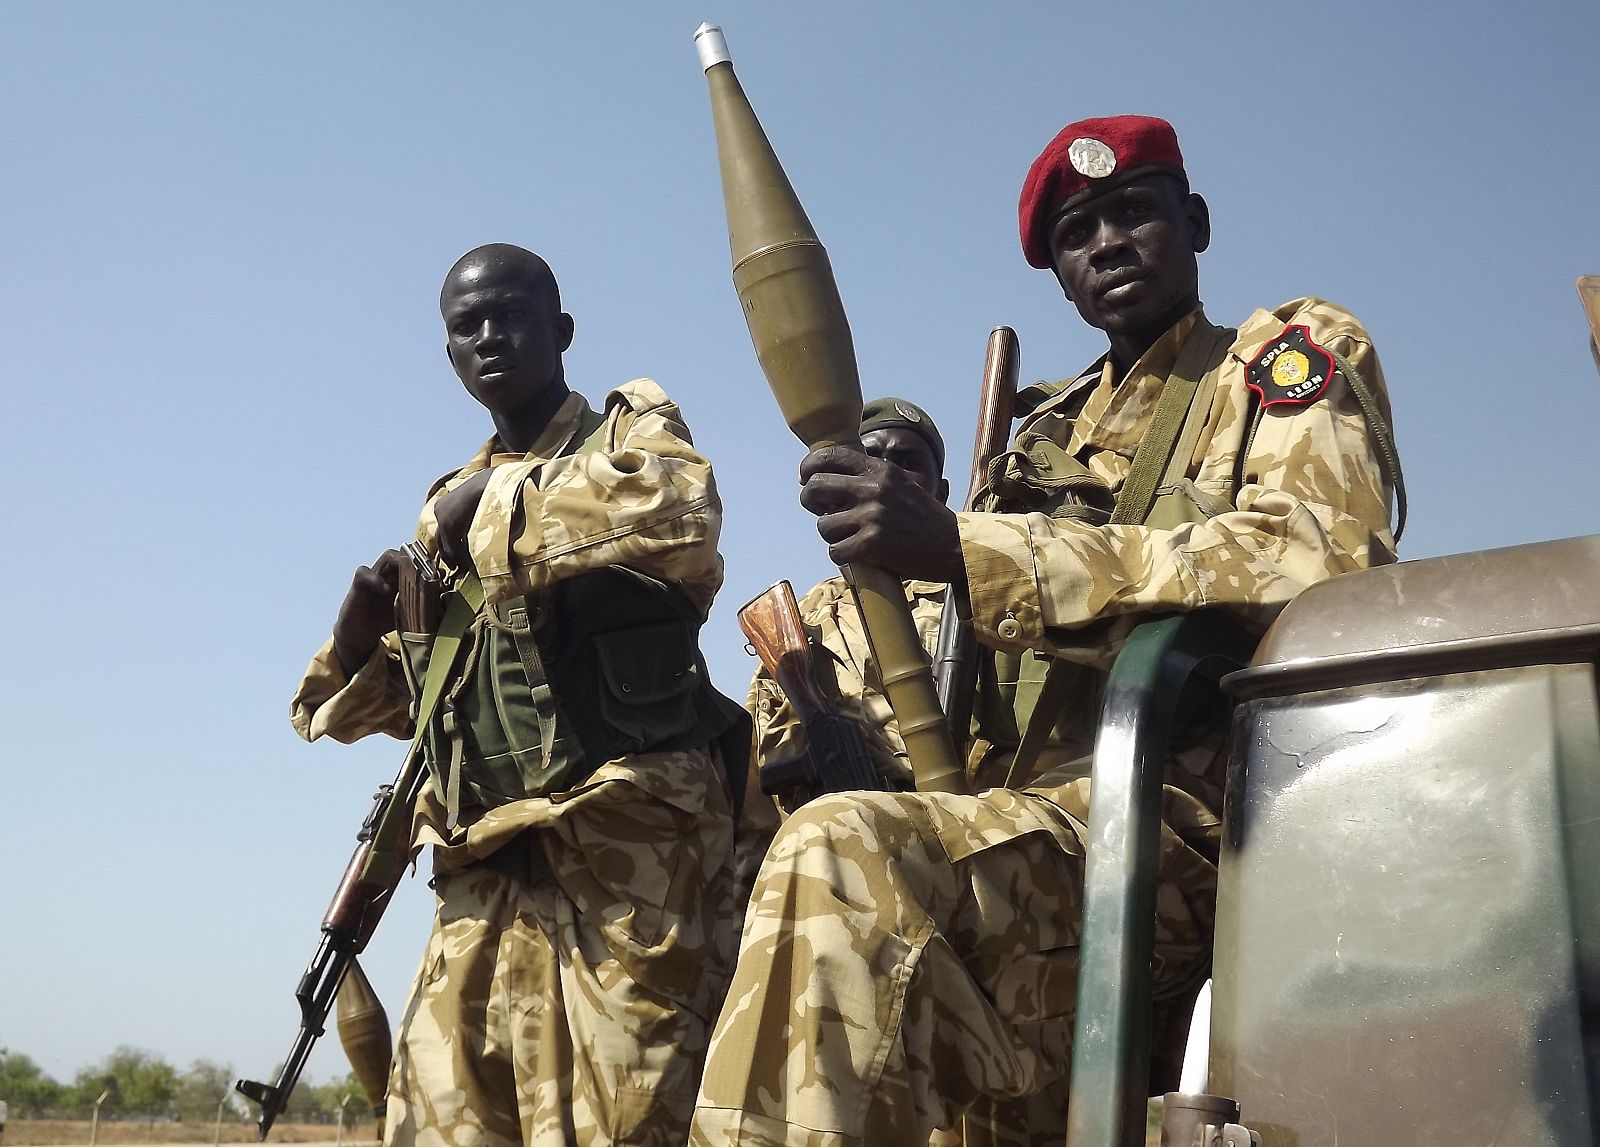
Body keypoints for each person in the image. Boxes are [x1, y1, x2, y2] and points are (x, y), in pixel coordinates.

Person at [689, 116, 1402, 1146]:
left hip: (1197, 831)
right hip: (1032, 839)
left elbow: (1317, 560)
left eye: (1133, 212)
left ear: (1193, 223)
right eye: (1077, 233)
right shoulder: (1041, 436)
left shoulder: (1277, 360)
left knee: (839, 856)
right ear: (1059, 275)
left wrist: (971, 548)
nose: (1107, 242)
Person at [290, 244, 750, 1147]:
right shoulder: (443, 505)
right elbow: (425, 704)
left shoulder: (629, 433)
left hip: (624, 866)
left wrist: (496, 504)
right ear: (449, 352)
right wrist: (352, 638)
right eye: (468, 326)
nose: (490, 337)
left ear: (562, 331)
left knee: (630, 1126)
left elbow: (683, 506)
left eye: (512, 316)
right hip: (479, 877)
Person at [747, 397, 951, 807]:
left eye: (907, 461)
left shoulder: (972, 601)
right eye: (869, 457)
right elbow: (758, 762)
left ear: (940, 493)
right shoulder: (806, 616)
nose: (885, 474)